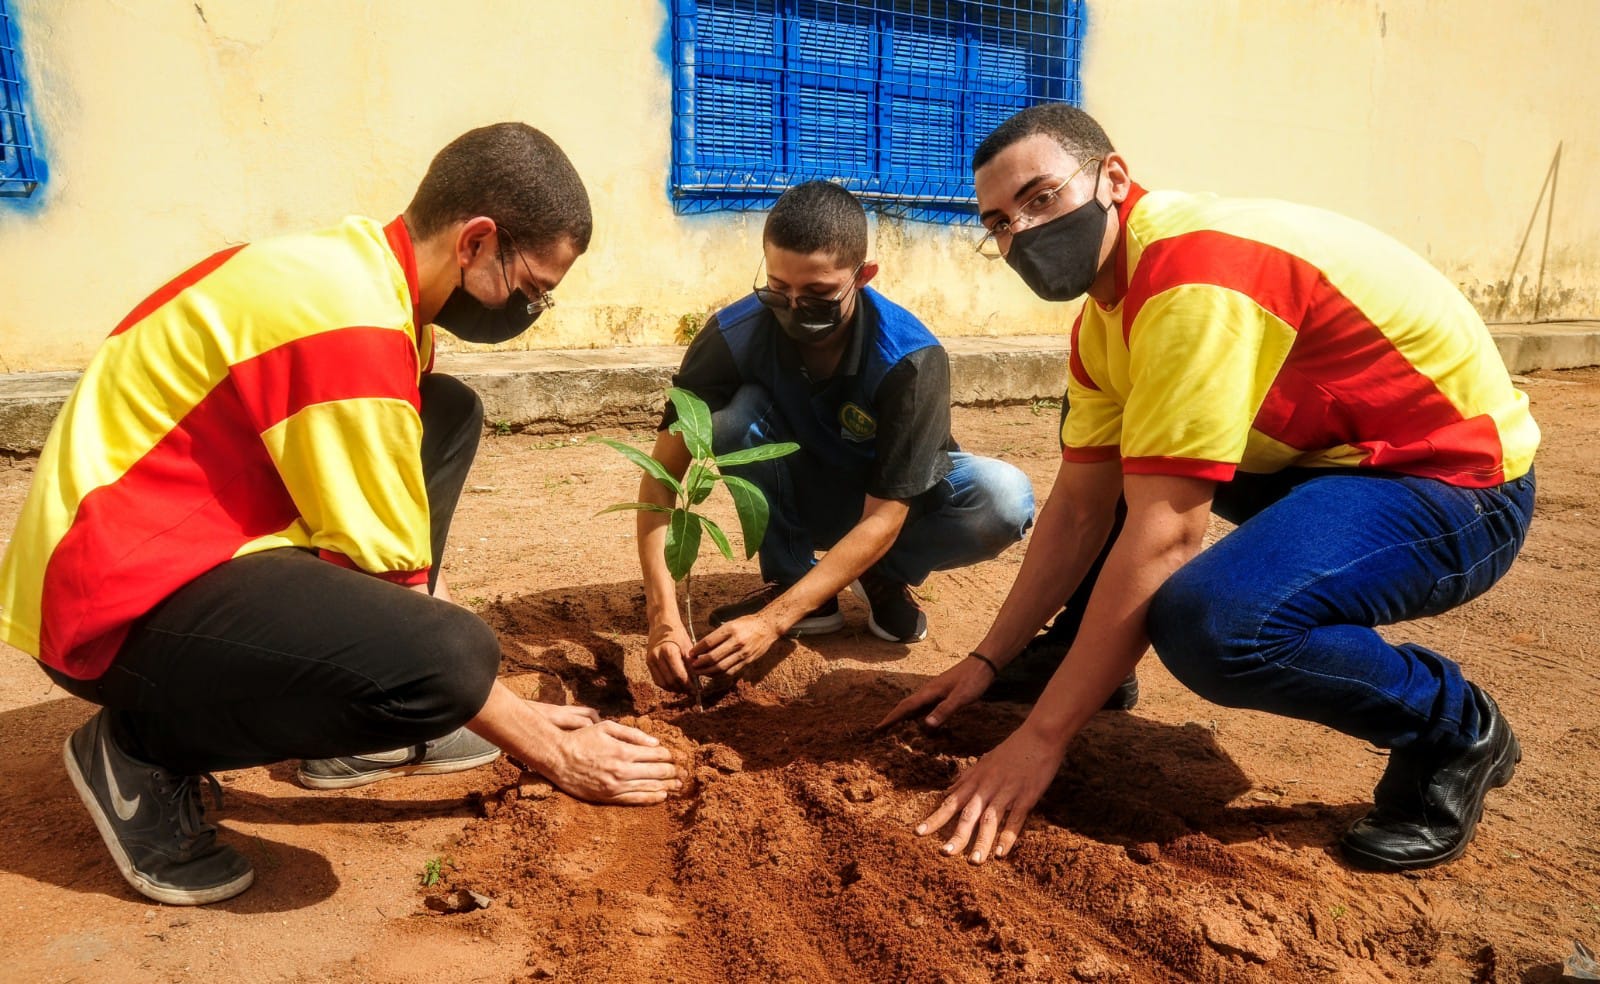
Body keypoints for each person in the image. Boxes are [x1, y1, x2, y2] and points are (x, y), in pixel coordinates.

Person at [0, 123, 680, 906]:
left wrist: (490, 702)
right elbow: (396, 592)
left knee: (445, 412)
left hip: (171, 537)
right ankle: (142, 749)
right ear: (477, 241)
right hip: (106, 604)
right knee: (451, 660)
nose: (532, 307)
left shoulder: (367, 281)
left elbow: (393, 559)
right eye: (531, 287)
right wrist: (539, 742)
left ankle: (363, 737)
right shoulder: (348, 326)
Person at [882, 104, 1539, 872]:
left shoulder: (1196, 275)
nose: (1021, 233)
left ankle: (1454, 728)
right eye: (997, 222)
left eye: (1041, 198)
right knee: (1123, 459)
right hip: (1322, 461)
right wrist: (992, 657)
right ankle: (1076, 660)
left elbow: (1165, 536)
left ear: (1112, 178)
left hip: (1453, 481)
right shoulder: (1105, 319)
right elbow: (1080, 509)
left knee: (1216, 626)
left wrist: (1040, 741)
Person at [636, 181, 1036, 693]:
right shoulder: (732, 336)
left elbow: (887, 515)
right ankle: (796, 580)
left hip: (885, 506)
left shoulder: (910, 358)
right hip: (799, 490)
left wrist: (770, 624)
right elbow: (661, 475)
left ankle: (881, 575)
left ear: (863, 276)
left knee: (1004, 497)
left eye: (819, 294)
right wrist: (663, 616)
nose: (794, 307)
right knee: (727, 422)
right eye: (778, 290)